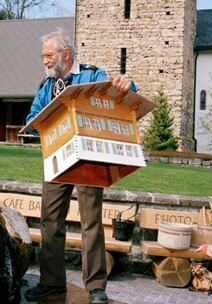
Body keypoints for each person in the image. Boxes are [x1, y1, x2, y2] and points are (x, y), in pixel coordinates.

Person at [22, 29, 135, 304]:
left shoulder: (92, 76)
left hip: (89, 159)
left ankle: (96, 288)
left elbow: (120, 92)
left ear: (66, 54)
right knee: (50, 221)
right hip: (56, 160)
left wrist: (127, 85)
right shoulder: (45, 87)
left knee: (91, 222)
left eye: (49, 55)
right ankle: (51, 283)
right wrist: (42, 121)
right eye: (43, 57)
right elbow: (32, 117)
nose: (45, 61)